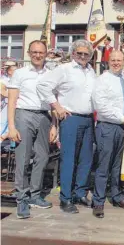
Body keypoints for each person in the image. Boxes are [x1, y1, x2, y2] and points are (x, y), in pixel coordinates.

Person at [37, 40, 96, 214]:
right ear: (73, 53)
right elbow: (43, 86)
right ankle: (66, 198)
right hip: (71, 119)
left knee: (86, 159)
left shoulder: (91, 71)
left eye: (86, 54)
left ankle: (79, 193)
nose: (83, 56)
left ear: (90, 56)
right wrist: (57, 107)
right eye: (79, 53)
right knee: (68, 159)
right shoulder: (64, 69)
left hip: (88, 119)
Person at [7, 40, 57, 219]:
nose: (37, 55)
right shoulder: (20, 73)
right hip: (24, 115)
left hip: (44, 116)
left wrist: (54, 125)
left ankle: (35, 195)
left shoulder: (51, 74)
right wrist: (12, 126)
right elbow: (11, 101)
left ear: (46, 54)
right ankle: (22, 199)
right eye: (34, 52)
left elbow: (53, 101)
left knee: (42, 157)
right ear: (29, 53)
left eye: (41, 52)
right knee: (23, 158)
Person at [92, 50, 124, 218]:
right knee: (104, 166)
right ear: (108, 61)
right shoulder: (102, 80)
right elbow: (100, 105)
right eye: (113, 60)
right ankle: (98, 201)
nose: (116, 63)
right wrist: (121, 118)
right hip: (108, 126)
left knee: (118, 166)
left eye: (119, 60)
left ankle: (117, 196)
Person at [1, 63, 18, 141]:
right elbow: (2, 91)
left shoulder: (19, 80)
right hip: (7, 106)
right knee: (3, 125)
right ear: (9, 71)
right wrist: (14, 95)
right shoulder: (4, 80)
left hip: (17, 106)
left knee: (13, 126)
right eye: (15, 70)